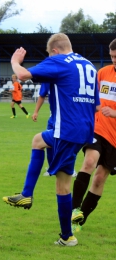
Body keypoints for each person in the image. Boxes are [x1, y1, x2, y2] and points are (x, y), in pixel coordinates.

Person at [2, 33, 100, 246]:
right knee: (39, 142)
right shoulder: (89, 65)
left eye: (49, 54)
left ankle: (29, 197)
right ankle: (66, 236)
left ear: (54, 51)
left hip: (67, 130)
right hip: (85, 131)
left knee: (61, 185)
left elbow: (24, 75)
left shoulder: (58, 60)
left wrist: (14, 61)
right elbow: (97, 104)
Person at [71, 38, 116, 232]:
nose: (114, 60)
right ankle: (72, 210)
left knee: (99, 179)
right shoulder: (103, 73)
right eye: (112, 56)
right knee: (89, 162)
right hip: (97, 129)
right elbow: (90, 97)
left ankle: (80, 218)